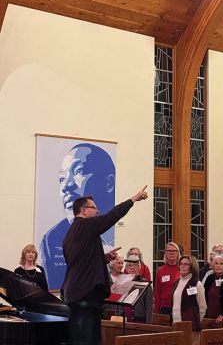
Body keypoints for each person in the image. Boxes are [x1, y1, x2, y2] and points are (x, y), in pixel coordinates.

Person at [62, 185, 148, 345]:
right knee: (88, 340)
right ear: (83, 211)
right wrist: (133, 199)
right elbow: (112, 216)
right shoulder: (85, 225)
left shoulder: (73, 231)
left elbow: (81, 262)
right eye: (94, 208)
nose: (98, 211)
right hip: (85, 294)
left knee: (81, 338)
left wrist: (104, 258)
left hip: (77, 293)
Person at [40, 142, 116, 289]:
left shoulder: (106, 228)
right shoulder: (51, 239)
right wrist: (133, 199)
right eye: (62, 178)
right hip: (81, 298)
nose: (66, 185)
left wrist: (103, 259)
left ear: (109, 183)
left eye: (78, 171)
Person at [172, 255, 206, 331]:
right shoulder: (176, 283)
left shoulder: (197, 284)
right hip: (175, 324)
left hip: (191, 326)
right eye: (181, 264)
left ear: (192, 267)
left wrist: (195, 320)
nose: (182, 266)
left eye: (186, 264)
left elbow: (202, 307)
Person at [122, 255, 153, 323]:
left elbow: (149, 309)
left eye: (135, 265)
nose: (132, 267)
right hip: (123, 322)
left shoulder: (146, 284)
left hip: (140, 323)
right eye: (129, 265)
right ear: (126, 268)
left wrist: (148, 326)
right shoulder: (121, 283)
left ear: (139, 267)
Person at [154, 241, 181, 315]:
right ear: (165, 253)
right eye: (169, 251)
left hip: (180, 306)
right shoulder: (160, 270)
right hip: (165, 307)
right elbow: (157, 292)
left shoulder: (182, 269)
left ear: (178, 253)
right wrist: (156, 312)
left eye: (174, 250)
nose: (171, 253)